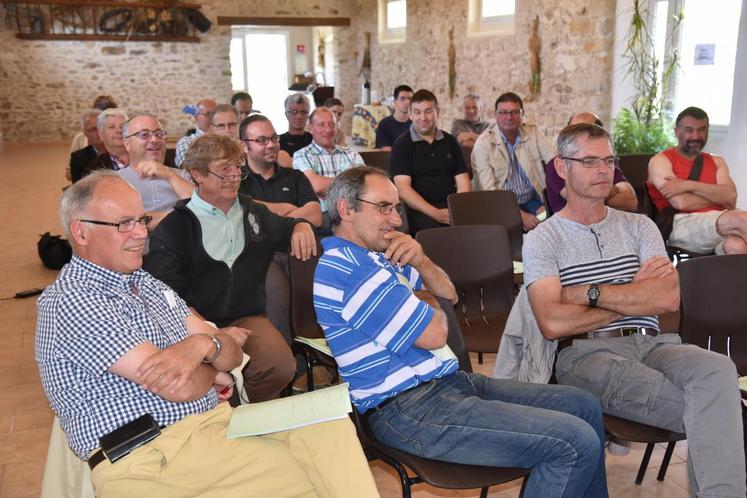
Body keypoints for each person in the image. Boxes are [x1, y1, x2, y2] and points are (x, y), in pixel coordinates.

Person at [36, 170, 379, 498]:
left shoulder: (145, 283)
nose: (141, 234)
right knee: (314, 473)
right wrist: (211, 365)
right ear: (81, 232)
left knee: (330, 426)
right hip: (150, 454)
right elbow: (178, 386)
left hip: (210, 425)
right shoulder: (72, 299)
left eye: (141, 220)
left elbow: (232, 354)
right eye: (124, 224)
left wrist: (202, 344)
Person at [314, 166, 609, 498]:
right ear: (345, 209)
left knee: (583, 405)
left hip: (447, 386)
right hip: (407, 409)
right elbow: (436, 333)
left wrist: (423, 262)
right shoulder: (349, 269)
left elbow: (448, 294)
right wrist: (427, 299)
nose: (396, 220)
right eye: (383, 207)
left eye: (396, 208)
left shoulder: (379, 258)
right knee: (573, 442)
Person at [524, 122, 746, 497]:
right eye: (590, 161)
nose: (602, 170)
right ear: (562, 168)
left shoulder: (640, 226)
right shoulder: (542, 240)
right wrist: (633, 294)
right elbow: (552, 321)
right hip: (588, 353)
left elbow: (666, 299)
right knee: (716, 411)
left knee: (718, 368)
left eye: (608, 161)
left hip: (657, 342)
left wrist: (585, 293)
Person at [145, 134, 317, 402]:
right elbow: (166, 297)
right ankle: (218, 412)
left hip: (247, 319)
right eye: (224, 169)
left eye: (238, 167)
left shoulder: (252, 213)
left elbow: (285, 228)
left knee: (281, 367)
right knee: (193, 379)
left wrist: (301, 225)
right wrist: (212, 332)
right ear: (197, 174)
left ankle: (239, 411)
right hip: (191, 323)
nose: (235, 176)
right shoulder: (175, 227)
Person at [239, 114, 322, 343]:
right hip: (262, 254)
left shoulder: (294, 176)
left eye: (274, 138)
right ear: (244, 146)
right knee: (277, 296)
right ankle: (290, 361)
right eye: (262, 140)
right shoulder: (237, 180)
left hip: (304, 248)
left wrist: (273, 216)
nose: (271, 145)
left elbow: (314, 214)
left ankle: (323, 355)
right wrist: (292, 215)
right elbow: (243, 212)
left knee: (324, 288)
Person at [648, 106, 747, 254]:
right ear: (676, 132)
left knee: (736, 246)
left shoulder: (717, 161)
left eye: (702, 130)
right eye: (689, 130)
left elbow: (731, 198)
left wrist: (687, 185)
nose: (696, 136)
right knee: (742, 219)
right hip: (680, 223)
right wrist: (719, 197)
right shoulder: (661, 160)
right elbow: (681, 202)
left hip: (722, 223)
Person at [390, 89, 470, 235]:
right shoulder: (402, 144)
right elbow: (402, 188)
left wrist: (457, 210)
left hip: (451, 207)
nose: (423, 117)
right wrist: (435, 213)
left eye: (428, 111)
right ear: (410, 115)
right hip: (420, 210)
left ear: (436, 112)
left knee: (475, 232)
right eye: (417, 112)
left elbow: (463, 181)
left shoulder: (450, 141)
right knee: (437, 236)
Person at [472, 92, 555, 231]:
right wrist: (520, 215)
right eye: (503, 112)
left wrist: (547, 202)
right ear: (495, 115)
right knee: (511, 233)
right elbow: (489, 193)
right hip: (499, 207)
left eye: (515, 112)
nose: (509, 117)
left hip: (532, 202)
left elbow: (555, 163)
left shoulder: (533, 133)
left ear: (522, 114)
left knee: (553, 220)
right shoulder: (483, 144)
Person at [545, 112, 637, 213]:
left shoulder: (606, 162)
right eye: (573, 131)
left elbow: (631, 201)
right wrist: (614, 189)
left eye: (587, 131)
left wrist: (596, 193)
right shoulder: (559, 165)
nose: (603, 169)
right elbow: (581, 203)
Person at [293, 107, 365, 231]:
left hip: (353, 214)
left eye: (332, 125)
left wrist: (326, 187)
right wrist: (349, 185)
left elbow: (363, 185)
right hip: (323, 217)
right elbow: (315, 185)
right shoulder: (302, 155)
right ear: (310, 128)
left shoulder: (351, 154)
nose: (328, 130)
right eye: (321, 125)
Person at [118, 115, 195, 228]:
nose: (154, 140)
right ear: (127, 144)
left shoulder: (184, 175)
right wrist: (184, 217)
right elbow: (127, 222)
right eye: (144, 135)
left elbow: (203, 212)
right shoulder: (115, 180)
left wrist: (170, 175)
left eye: (159, 134)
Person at [79, 108, 130, 180]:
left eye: (122, 126)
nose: (119, 130)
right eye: (112, 127)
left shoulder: (145, 156)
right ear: (101, 134)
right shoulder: (94, 170)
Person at [175, 98, 216, 167]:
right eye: (208, 114)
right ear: (197, 117)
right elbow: (189, 167)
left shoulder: (224, 139)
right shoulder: (186, 142)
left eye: (215, 114)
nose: (212, 118)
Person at [69, 109, 106, 183]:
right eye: (93, 129)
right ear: (85, 133)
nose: (99, 132)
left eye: (101, 127)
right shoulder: (78, 158)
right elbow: (79, 190)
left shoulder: (123, 151)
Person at [278, 93, 313, 167]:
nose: (299, 116)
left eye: (303, 112)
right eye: (294, 112)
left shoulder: (314, 141)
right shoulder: (277, 142)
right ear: (286, 114)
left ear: (308, 115)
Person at [375, 84, 413, 151]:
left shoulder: (416, 124)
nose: (407, 102)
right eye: (402, 99)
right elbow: (386, 151)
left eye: (410, 99)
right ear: (395, 102)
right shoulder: (384, 125)